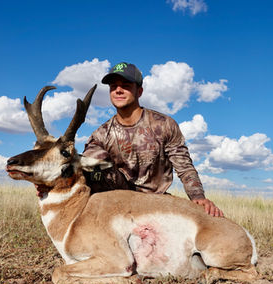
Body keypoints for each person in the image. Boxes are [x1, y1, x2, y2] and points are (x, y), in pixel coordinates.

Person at [81, 62, 223, 217]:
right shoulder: (101, 134)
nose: (118, 90)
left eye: (126, 85)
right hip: (117, 201)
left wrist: (198, 197)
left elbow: (184, 166)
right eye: (113, 86)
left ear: (139, 91)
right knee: (91, 158)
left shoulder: (164, 124)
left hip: (155, 201)